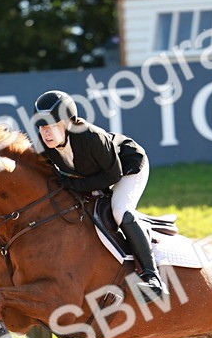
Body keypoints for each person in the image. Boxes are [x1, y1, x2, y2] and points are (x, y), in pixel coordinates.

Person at [32, 89, 166, 303]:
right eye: (41, 127)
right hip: (94, 175)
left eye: (51, 127)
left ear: (68, 123)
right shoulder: (44, 146)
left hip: (128, 167)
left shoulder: (91, 137)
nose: (45, 133)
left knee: (120, 210)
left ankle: (152, 277)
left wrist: (74, 184)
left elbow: (113, 175)